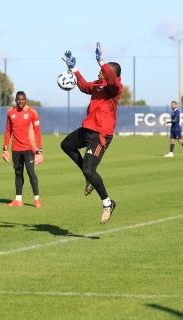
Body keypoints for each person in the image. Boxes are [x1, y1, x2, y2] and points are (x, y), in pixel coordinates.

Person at [60, 43, 122, 224]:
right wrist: (74, 69)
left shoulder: (114, 88)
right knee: (66, 145)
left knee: (89, 169)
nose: (100, 73)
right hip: (88, 128)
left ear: (111, 73)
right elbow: (85, 87)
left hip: (100, 134)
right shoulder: (98, 84)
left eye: (103, 71)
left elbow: (110, 77)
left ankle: (107, 204)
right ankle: (89, 179)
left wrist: (102, 62)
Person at [2, 91, 43, 208]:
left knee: (31, 173)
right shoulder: (10, 113)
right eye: (18, 99)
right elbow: (8, 131)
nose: (20, 101)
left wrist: (39, 151)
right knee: (18, 173)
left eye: (22, 99)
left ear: (26, 100)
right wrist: (5, 149)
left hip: (29, 149)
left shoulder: (32, 113)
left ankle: (37, 199)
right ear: (15, 100)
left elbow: (37, 132)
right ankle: (18, 199)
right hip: (16, 149)